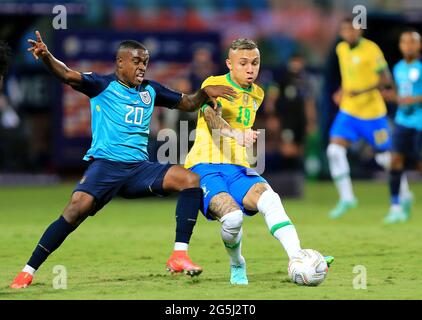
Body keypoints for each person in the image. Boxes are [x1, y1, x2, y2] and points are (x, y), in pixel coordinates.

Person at [10, 31, 237, 289]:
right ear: (120, 62)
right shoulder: (101, 85)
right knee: (75, 209)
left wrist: (205, 91)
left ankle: (179, 256)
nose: (142, 67)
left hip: (139, 169)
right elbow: (66, 74)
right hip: (105, 166)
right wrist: (47, 56)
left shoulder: (151, 90)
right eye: (137, 61)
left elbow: (188, 103)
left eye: (145, 62)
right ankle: (28, 270)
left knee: (189, 180)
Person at [184, 38, 333, 285]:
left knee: (271, 200)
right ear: (229, 64)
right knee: (232, 219)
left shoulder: (258, 94)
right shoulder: (214, 84)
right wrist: (236, 134)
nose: (250, 68)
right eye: (243, 63)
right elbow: (210, 116)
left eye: (255, 63)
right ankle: (237, 264)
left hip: (238, 167)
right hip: (205, 166)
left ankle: (299, 257)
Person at [327, 18, 412, 219]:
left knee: (385, 158)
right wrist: (342, 91)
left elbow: (386, 80)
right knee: (334, 151)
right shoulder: (341, 49)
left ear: (360, 31)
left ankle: (404, 195)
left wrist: (361, 91)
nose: (349, 33)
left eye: (352, 29)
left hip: (373, 115)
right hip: (348, 112)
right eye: (345, 29)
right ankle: (347, 198)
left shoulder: (371, 49)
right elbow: (349, 76)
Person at [383, 30, 422, 224]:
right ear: (400, 46)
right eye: (405, 42)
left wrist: (413, 99)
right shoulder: (398, 68)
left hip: (420, 122)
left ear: (419, 45)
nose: (408, 46)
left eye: (412, 42)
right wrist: (393, 97)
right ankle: (395, 206)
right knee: (395, 161)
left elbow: (411, 96)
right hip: (402, 121)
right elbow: (398, 94)